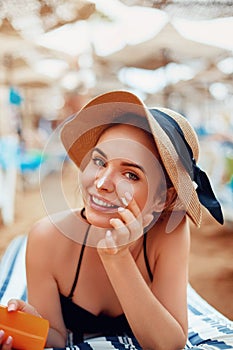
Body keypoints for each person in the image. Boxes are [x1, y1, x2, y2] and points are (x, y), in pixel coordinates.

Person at [1, 91, 223, 350]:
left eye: (130, 174)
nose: (102, 183)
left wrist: (116, 257)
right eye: (99, 161)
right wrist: (30, 329)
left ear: (163, 197)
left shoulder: (168, 233)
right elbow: (56, 338)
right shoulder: (47, 238)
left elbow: (169, 345)